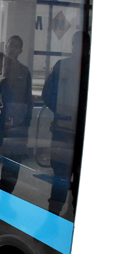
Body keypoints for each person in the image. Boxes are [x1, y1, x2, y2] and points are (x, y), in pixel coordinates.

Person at [42, 31, 86, 216]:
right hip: (63, 131)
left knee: (83, 179)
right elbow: (47, 94)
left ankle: (76, 216)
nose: (78, 48)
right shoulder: (61, 66)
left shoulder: (95, 68)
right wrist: (62, 112)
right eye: (75, 44)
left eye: (82, 44)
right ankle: (53, 216)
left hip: (84, 135)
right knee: (60, 176)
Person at [0, 35, 33, 193]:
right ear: (6, 47)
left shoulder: (24, 72)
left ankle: (5, 199)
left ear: (21, 51)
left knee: (12, 165)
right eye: (11, 45)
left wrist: (26, 123)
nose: (13, 48)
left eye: (17, 46)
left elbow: (28, 98)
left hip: (16, 126)